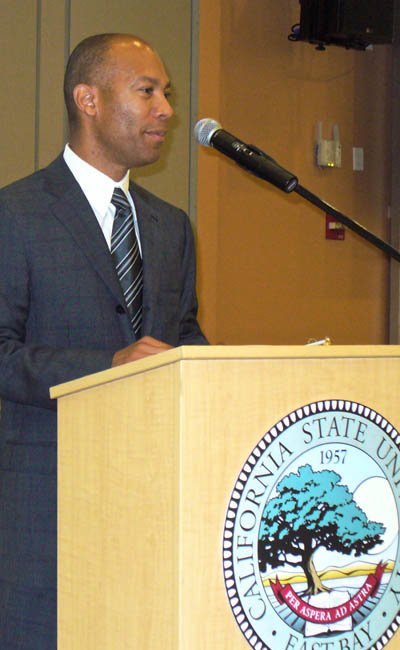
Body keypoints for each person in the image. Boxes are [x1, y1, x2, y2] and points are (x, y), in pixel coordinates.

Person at [0, 33, 207, 649]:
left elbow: (185, 335)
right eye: (147, 91)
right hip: (45, 515)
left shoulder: (171, 226)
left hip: (155, 507)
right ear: (87, 99)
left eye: (166, 93)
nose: (167, 110)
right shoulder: (16, 215)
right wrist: (108, 366)